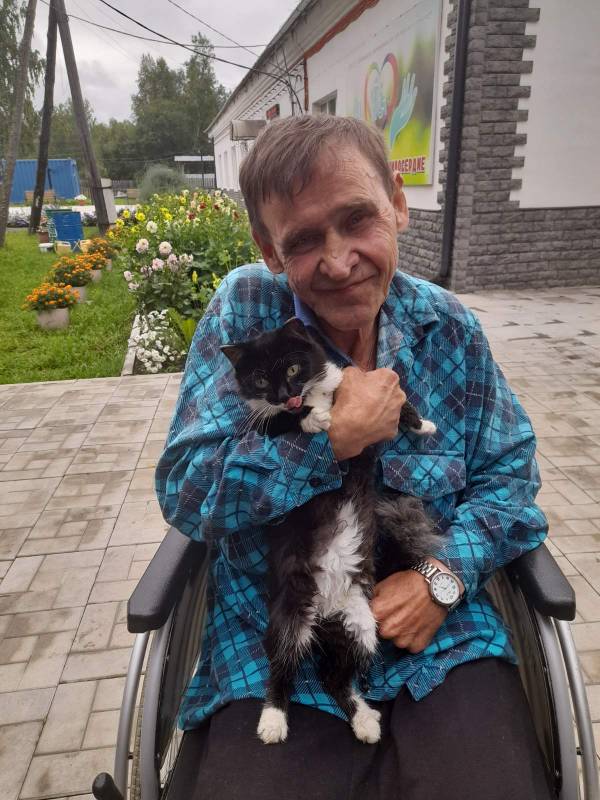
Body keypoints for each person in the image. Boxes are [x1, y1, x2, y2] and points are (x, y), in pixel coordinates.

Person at [155, 115, 552, 799]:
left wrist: (442, 578)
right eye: (304, 240)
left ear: (397, 203)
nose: (339, 262)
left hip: (438, 638)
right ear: (270, 250)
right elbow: (187, 493)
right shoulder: (244, 313)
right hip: (276, 638)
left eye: (357, 219)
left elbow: (510, 476)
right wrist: (329, 441)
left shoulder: (448, 329)